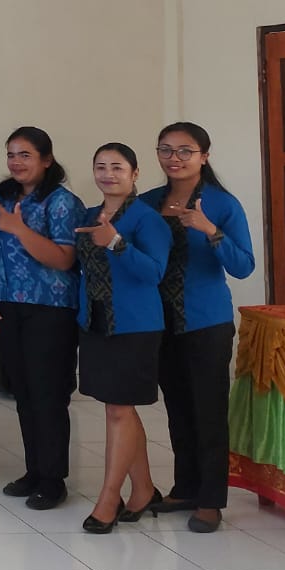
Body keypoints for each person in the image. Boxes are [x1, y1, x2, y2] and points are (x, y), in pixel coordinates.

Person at [141, 123, 255, 533]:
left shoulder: (222, 204)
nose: (174, 158)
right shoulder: (149, 202)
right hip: (160, 321)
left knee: (208, 412)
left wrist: (210, 230)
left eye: (185, 151)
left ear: (204, 156)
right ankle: (186, 487)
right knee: (177, 408)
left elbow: (243, 266)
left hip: (206, 321)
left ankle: (210, 500)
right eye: (166, 150)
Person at [0, 127, 84, 511]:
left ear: (46, 160)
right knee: (22, 391)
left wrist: (20, 230)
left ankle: (53, 479)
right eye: (11, 154)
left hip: (50, 307)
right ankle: (34, 470)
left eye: (25, 155)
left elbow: (65, 259)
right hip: (6, 304)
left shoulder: (62, 202)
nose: (16, 162)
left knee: (48, 394)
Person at [75, 142, 171, 533]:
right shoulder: (88, 215)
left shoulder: (148, 219)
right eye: (101, 166)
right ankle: (144, 489)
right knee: (118, 409)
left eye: (117, 167)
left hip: (135, 325)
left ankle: (108, 498)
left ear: (135, 174)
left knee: (119, 409)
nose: (108, 174)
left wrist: (117, 243)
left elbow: (154, 273)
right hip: (96, 322)